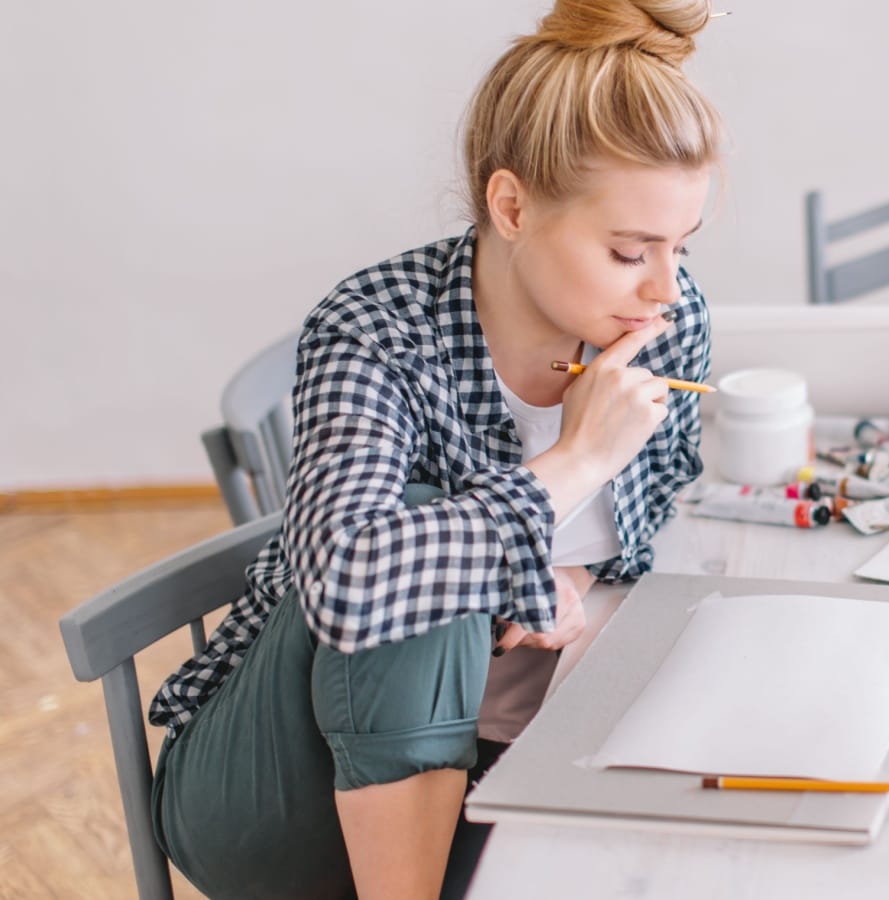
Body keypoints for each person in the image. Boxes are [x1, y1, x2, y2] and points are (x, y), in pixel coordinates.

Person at [147, 1, 723, 896]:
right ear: (512, 205)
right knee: (418, 535)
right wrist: (574, 462)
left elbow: (654, 534)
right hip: (283, 792)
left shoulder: (665, 327)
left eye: (681, 247)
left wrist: (572, 586)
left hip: (515, 771)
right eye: (627, 250)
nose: (664, 288)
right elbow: (345, 583)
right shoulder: (377, 328)